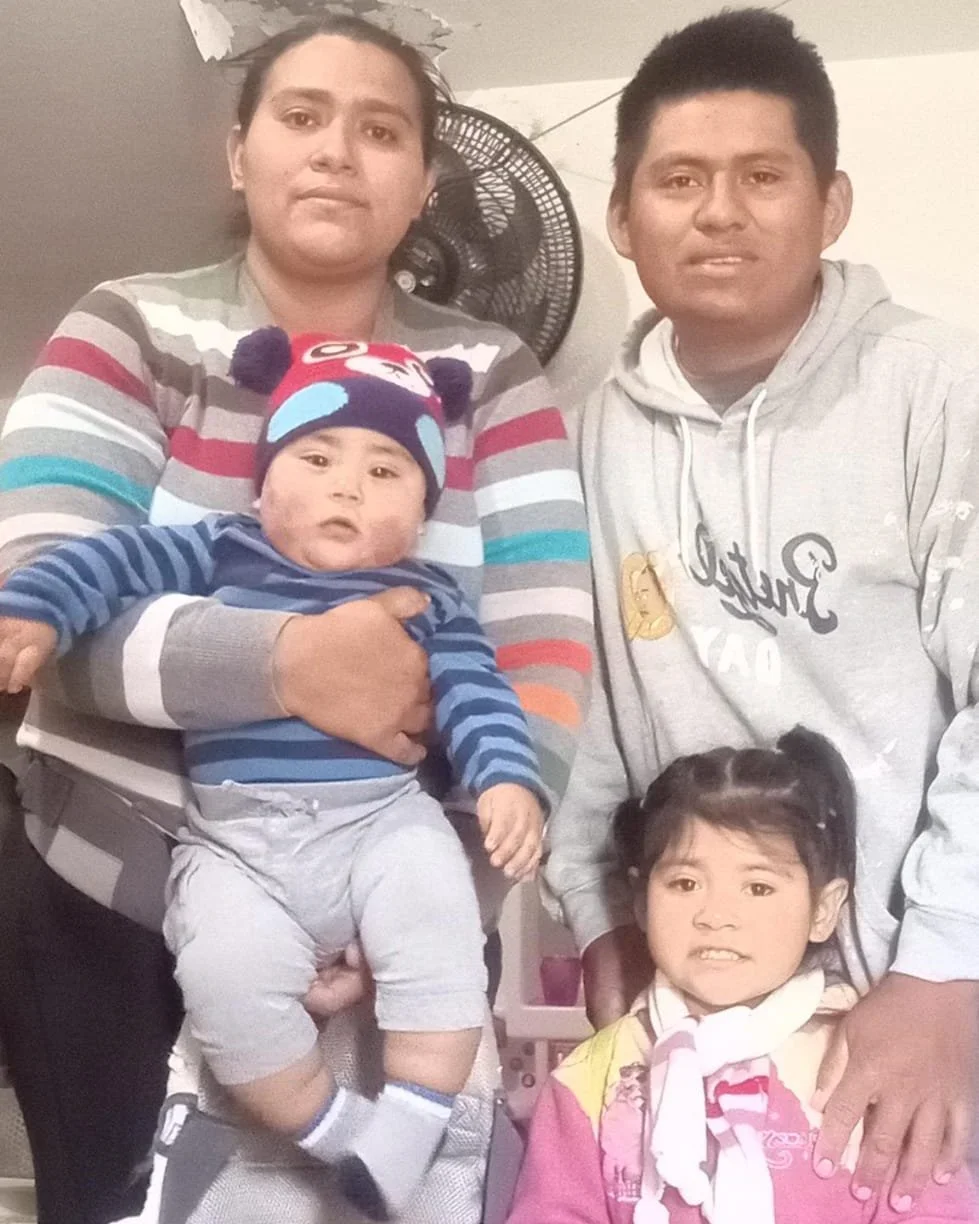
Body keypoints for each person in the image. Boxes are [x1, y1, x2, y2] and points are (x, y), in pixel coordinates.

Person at [0, 16, 592, 1224]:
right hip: (107, 897)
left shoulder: (491, 376)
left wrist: (429, 895)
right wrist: (294, 664)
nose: (335, 151)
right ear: (239, 151)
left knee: (391, 1199)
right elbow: (45, 612)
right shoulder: (128, 327)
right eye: (302, 116)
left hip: (405, 891)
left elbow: (538, 652)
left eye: (380, 130)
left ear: (424, 184)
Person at [544, 7, 979, 1219]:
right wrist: (599, 916)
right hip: (698, 1011)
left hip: (920, 1006)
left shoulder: (939, 390)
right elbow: (576, 703)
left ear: (830, 204)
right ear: (623, 217)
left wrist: (944, 972)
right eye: (679, 179)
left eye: (762, 176)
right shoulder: (587, 436)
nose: (719, 211)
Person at [0, 331, 549, 1220]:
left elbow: (480, 694)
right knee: (225, 978)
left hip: (381, 823)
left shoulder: (430, 599)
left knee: (439, 930)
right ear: (262, 487)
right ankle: (340, 1134)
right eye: (317, 458)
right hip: (235, 842)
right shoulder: (225, 548)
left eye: (385, 471)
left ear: (421, 515)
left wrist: (507, 780)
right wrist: (36, 608)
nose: (347, 485)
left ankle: (416, 1122)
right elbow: (111, 563)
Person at [513, 731, 979, 1222]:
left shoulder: (866, 1065)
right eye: (685, 883)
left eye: (758, 887)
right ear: (642, 901)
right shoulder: (588, 1078)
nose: (716, 915)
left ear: (823, 909)